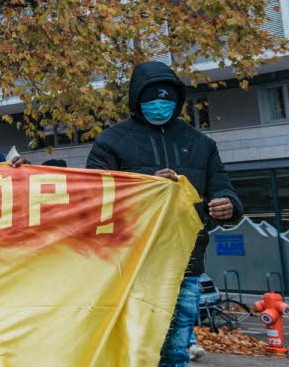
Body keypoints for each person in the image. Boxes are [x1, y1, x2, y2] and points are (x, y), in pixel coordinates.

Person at [86, 61, 241, 367]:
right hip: (130, 266)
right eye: (152, 98)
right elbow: (93, 199)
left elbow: (223, 187)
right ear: (136, 99)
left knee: (175, 351)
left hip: (185, 265)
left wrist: (228, 204)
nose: (161, 104)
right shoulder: (110, 142)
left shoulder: (201, 144)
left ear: (179, 100)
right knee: (130, 348)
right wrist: (147, 189)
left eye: (168, 98)